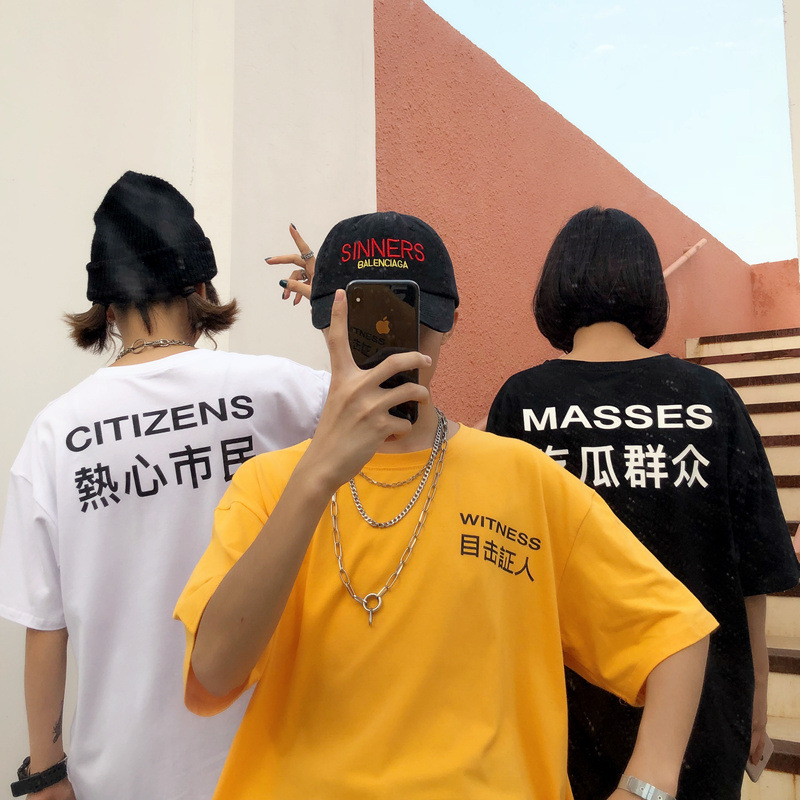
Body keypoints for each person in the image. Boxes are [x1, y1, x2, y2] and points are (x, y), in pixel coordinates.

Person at [176, 210, 718, 800]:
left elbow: (675, 634)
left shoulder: (526, 479)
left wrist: (647, 786)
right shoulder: (270, 484)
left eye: (408, 315)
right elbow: (213, 675)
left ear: (449, 322)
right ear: (326, 320)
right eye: (366, 318)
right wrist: (315, 478)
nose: (388, 339)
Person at [0, 171, 329, 800]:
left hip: (120, 777)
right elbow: (400, 418)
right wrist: (340, 303)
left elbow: (45, 627)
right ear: (200, 287)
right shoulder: (284, 392)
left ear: (106, 307)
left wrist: (46, 772)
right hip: (274, 765)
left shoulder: (53, 435)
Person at [486, 206, 800, 800]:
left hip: (561, 713)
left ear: (556, 283)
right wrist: (758, 698)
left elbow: (496, 567)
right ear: (648, 285)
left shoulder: (521, 402)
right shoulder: (711, 398)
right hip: (702, 710)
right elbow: (755, 571)